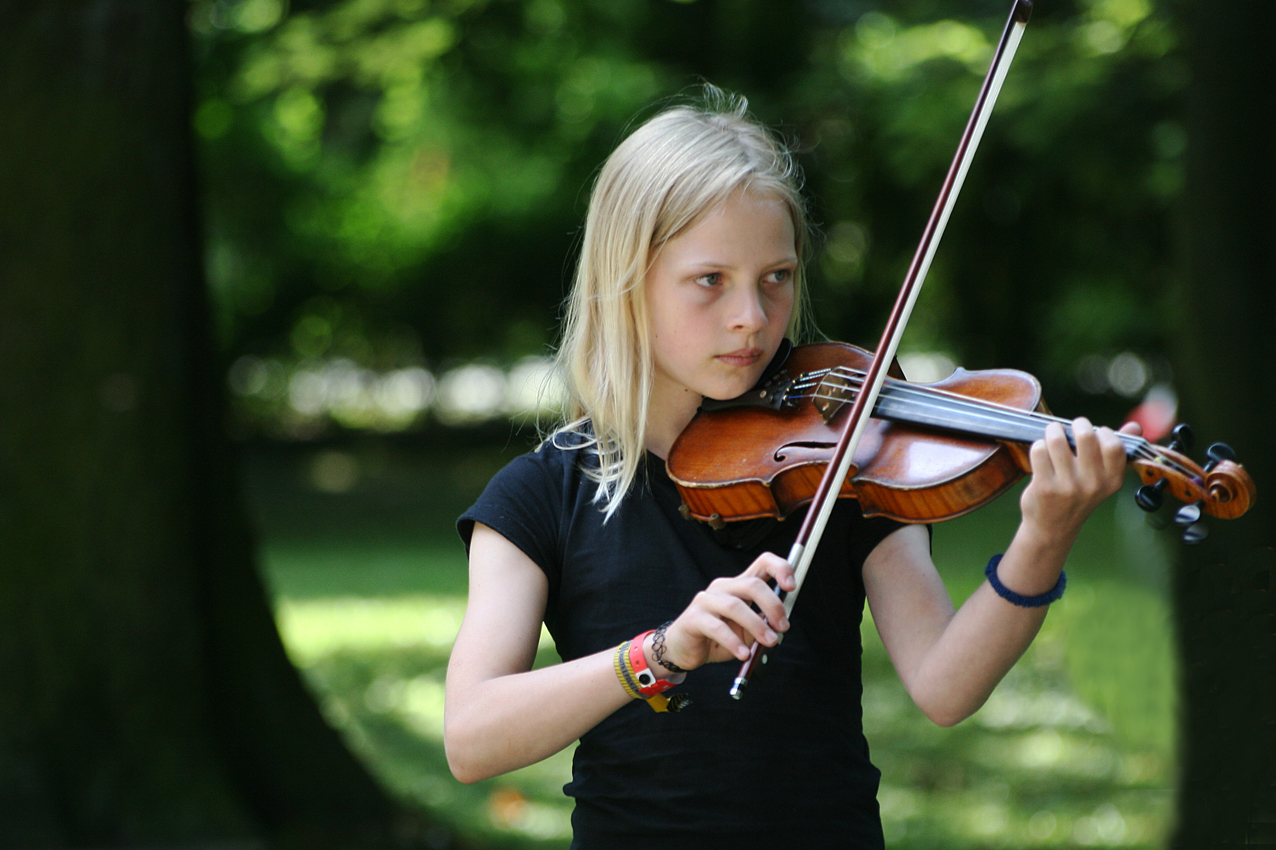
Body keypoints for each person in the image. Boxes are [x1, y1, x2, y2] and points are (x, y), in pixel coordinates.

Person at [444, 87, 1137, 849]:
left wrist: (1044, 537)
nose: (752, 315)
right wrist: (658, 653)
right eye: (711, 280)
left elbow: (946, 685)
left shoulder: (846, 460)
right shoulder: (542, 495)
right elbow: (472, 738)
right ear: (627, 282)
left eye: (777, 276)